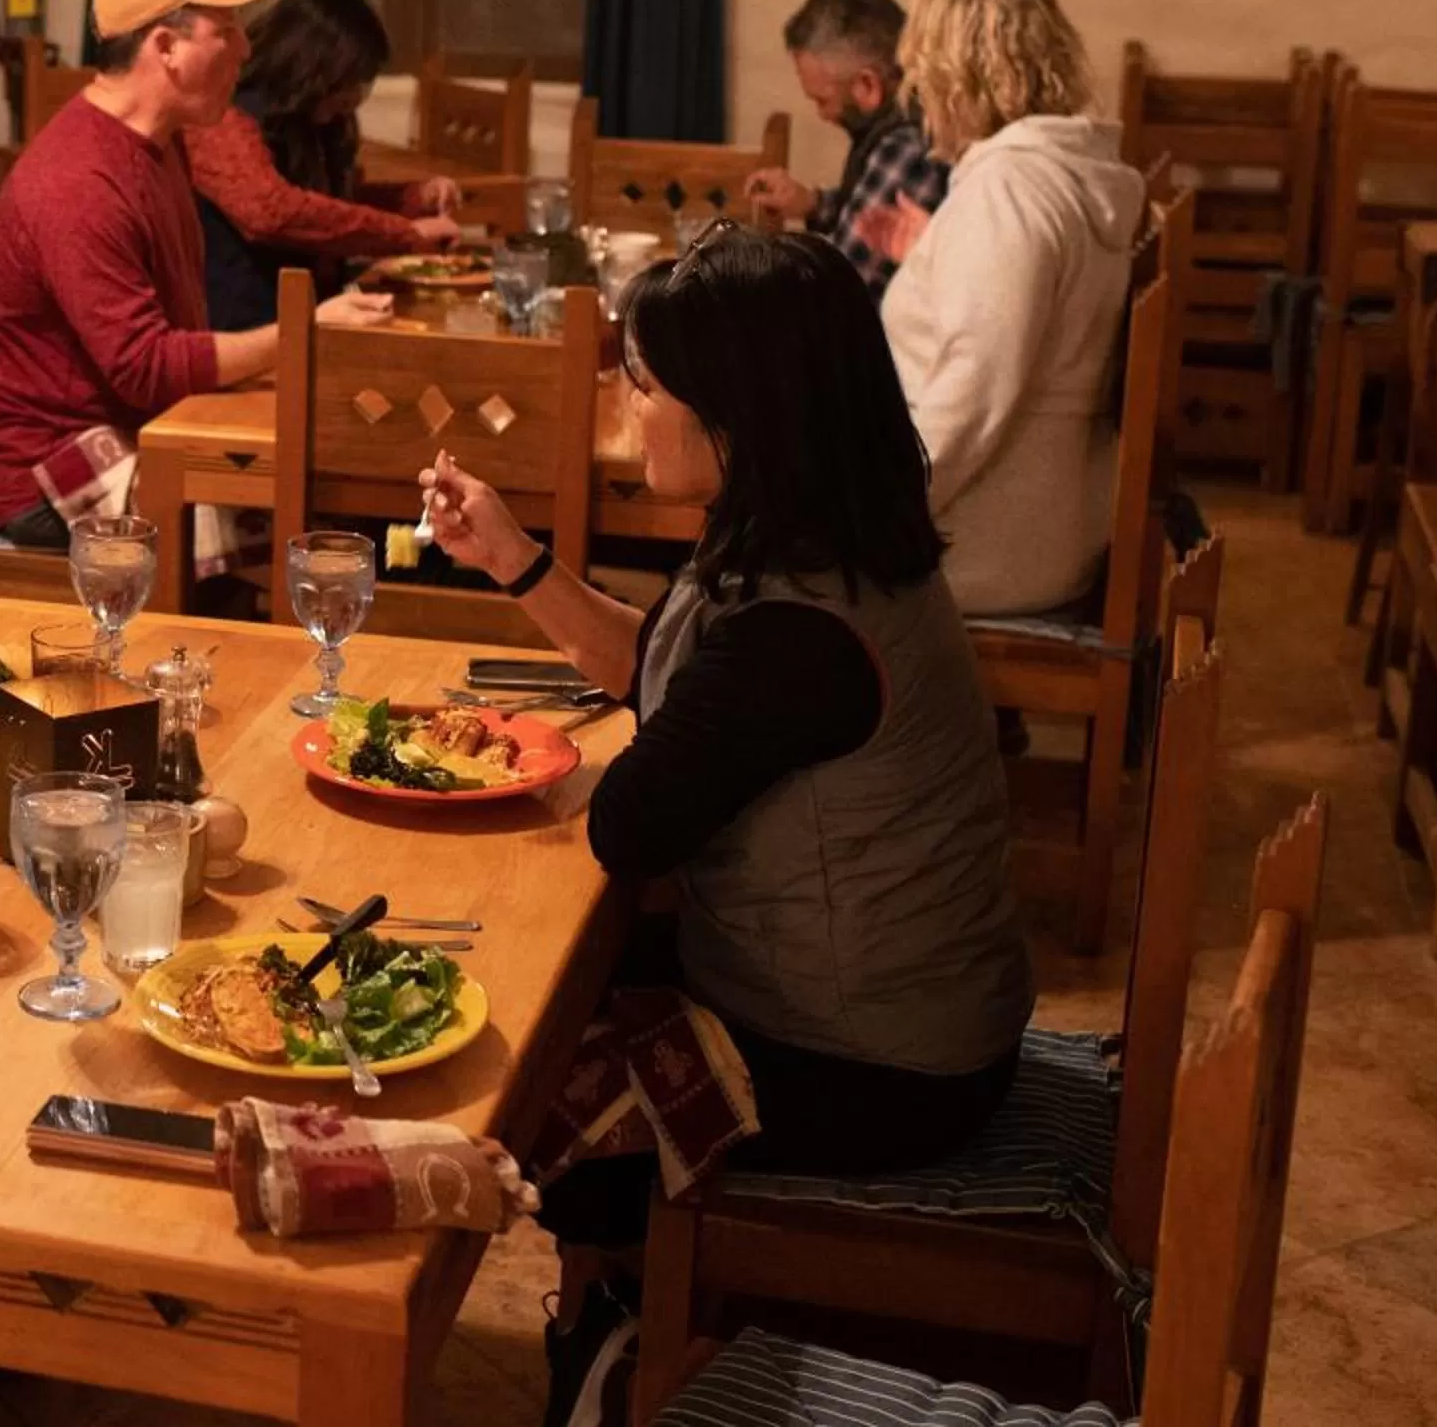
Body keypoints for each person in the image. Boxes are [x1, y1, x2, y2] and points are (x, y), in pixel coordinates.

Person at [416, 225, 1031, 1303]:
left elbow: (632, 827)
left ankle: (623, 1336)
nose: (626, 399)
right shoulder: (819, 539)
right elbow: (665, 676)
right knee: (552, 978)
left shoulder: (800, 631)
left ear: (736, 411)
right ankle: (616, 1314)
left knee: (511, 1074)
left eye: (644, 380)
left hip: (874, 1066)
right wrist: (515, 561)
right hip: (919, 1011)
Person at [0, 0, 390, 547]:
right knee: (315, 527)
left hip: (147, 425)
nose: (247, 50)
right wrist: (306, 330)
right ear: (165, 47)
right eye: (228, 30)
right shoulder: (79, 181)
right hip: (59, 471)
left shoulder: (161, 143)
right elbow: (144, 368)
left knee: (340, 470)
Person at [880, 0, 1145, 616]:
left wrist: (880, 512)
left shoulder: (1011, 191)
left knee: (756, 567)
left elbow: (977, 387)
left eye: (921, 75)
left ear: (956, 76)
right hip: (1042, 511)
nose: (915, 96)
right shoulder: (1066, 173)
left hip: (984, 537)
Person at [184, 0, 464, 329]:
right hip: (241, 330)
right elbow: (273, 211)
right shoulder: (225, 112)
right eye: (350, 79)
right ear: (312, 66)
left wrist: (411, 199)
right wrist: (404, 233)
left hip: (312, 312)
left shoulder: (307, 116)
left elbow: (326, 204)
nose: (356, 95)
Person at [739, 0, 950, 298]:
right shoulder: (911, 114)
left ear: (867, 85)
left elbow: (840, 291)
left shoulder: (906, 146)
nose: (822, 115)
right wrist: (812, 203)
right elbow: (875, 211)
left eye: (822, 100)